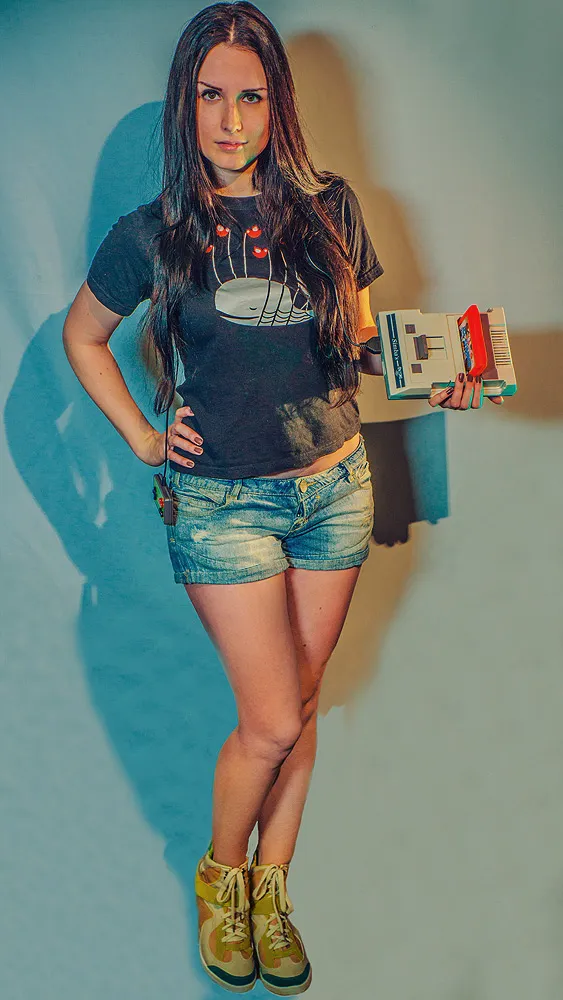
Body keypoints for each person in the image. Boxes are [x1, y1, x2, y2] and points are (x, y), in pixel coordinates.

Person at [63, 3, 505, 994]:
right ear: (186, 103)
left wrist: (435, 373)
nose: (231, 121)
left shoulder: (327, 209)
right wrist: (144, 437)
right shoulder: (154, 234)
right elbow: (80, 337)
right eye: (211, 96)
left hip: (334, 488)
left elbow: (355, 345)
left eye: (252, 98)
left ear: (278, 105)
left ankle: (273, 888)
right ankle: (221, 882)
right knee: (267, 722)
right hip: (222, 507)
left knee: (299, 706)